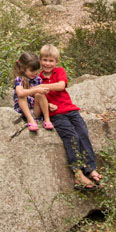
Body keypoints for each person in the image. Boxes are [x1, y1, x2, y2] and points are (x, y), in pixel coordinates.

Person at [38, 43, 103, 190]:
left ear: (56, 62)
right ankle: (78, 173)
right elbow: (37, 98)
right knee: (71, 137)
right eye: (45, 60)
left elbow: (61, 85)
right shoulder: (38, 78)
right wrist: (47, 105)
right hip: (56, 114)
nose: (47, 64)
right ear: (40, 60)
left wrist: (41, 88)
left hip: (71, 110)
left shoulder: (59, 72)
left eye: (51, 61)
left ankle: (90, 168)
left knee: (83, 134)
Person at [12, 51, 55, 132]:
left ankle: (47, 120)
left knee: (40, 94)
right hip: (23, 112)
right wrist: (35, 90)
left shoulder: (37, 79)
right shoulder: (20, 79)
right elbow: (20, 93)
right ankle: (30, 120)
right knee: (22, 95)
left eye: (36, 70)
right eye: (32, 71)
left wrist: (48, 105)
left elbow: (36, 98)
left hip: (35, 111)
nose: (35, 73)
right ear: (22, 68)